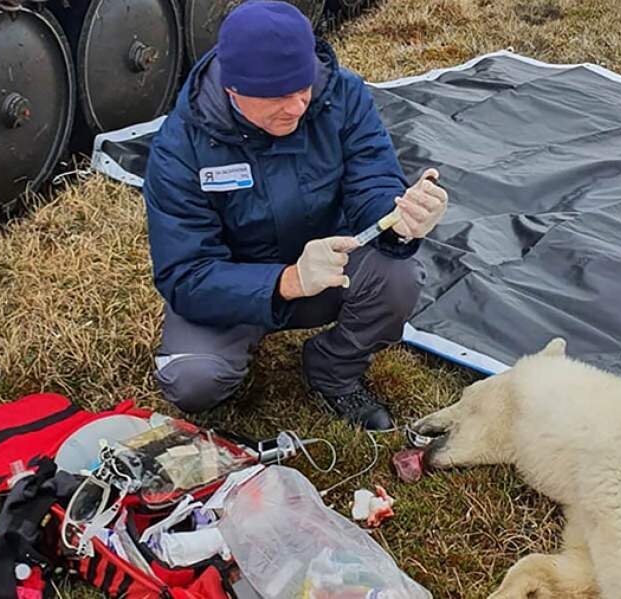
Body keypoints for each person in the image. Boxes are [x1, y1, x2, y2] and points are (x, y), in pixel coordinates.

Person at [142, 0, 448, 431]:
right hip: (233, 288)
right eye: (276, 97)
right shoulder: (180, 146)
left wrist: (398, 218)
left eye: (302, 87)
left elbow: (372, 181)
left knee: (398, 278)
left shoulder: (341, 95)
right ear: (233, 89)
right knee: (194, 382)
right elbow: (184, 274)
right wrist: (286, 282)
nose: (298, 106)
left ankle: (333, 369)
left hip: (329, 266)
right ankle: (231, 346)